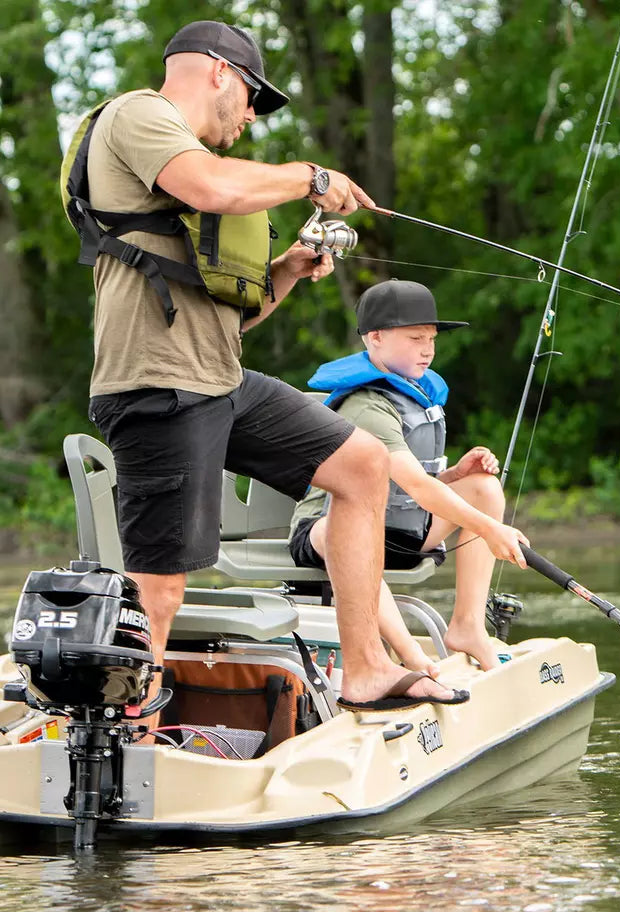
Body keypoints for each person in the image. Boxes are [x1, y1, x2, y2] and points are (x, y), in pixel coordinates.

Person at [75, 21, 468, 714]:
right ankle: (129, 733)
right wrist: (309, 178)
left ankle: (367, 670)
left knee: (363, 466)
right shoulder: (140, 116)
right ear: (219, 73)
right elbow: (212, 188)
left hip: (221, 381)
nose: (252, 113)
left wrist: (285, 271)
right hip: (156, 387)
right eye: (254, 95)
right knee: (160, 589)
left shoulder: (184, 158)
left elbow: (234, 318)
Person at [288, 279, 529, 677]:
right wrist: (490, 530)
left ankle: (467, 628)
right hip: (330, 534)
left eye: (432, 338)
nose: (428, 348)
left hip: (399, 532)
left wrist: (454, 476)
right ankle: (409, 659)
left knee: (483, 487)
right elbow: (417, 486)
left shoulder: (416, 393)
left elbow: (406, 486)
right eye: (416, 337)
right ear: (376, 337)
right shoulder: (367, 405)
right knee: (347, 530)